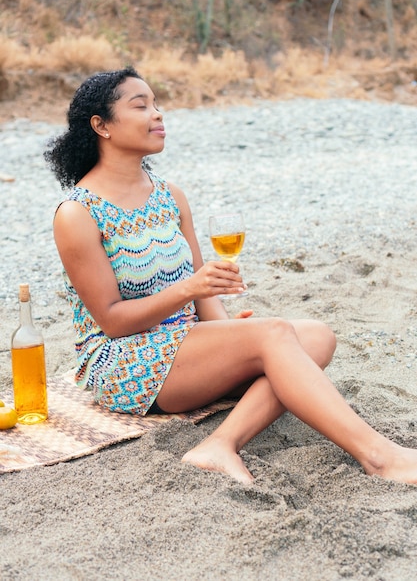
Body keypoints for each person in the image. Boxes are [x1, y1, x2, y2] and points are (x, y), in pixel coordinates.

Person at [45, 66, 417, 486]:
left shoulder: (170, 196)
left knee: (316, 336)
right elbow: (112, 320)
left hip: (183, 345)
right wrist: (197, 293)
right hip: (124, 360)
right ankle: (380, 457)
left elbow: (205, 296)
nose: (158, 114)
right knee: (274, 334)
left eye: (157, 103)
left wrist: (226, 332)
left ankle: (220, 443)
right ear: (101, 126)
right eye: (141, 105)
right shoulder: (77, 213)